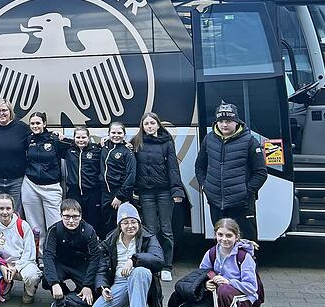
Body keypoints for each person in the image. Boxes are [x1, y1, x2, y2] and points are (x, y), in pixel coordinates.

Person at [87, 203, 164, 307]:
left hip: (140, 280)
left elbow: (159, 260)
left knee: (140, 271)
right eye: (125, 223)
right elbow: (102, 269)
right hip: (119, 283)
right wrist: (103, 287)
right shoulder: (109, 242)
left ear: (139, 222)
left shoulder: (148, 237)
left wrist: (134, 260)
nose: (130, 226)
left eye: (133, 222)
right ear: (119, 225)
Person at [195, 102, 268, 241]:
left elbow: (261, 173)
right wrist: (206, 187)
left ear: (236, 122)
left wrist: (246, 192)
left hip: (242, 205)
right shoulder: (208, 139)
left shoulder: (250, 141)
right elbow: (199, 166)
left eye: (228, 121)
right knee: (222, 243)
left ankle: (247, 263)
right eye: (221, 121)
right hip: (216, 203)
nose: (224, 125)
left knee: (246, 243)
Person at [131, 112, 184, 282]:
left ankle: (167, 266)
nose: (149, 126)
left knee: (166, 229)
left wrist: (177, 190)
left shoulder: (167, 142)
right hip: (146, 192)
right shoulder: (137, 142)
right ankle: (153, 263)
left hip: (164, 192)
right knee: (150, 230)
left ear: (158, 125)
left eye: (152, 123)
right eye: (146, 124)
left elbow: (173, 168)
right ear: (142, 126)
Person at [200, 218, 260, 307]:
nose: (224, 239)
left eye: (229, 235)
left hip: (244, 296)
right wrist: (208, 282)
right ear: (215, 235)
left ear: (236, 237)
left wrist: (228, 281)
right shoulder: (211, 253)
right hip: (217, 294)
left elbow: (252, 287)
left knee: (224, 289)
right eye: (220, 235)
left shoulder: (244, 256)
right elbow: (201, 273)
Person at [21, 112, 71, 257]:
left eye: (38, 123)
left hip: (51, 187)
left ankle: (56, 257)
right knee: (36, 226)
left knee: (55, 225)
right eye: (33, 124)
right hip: (30, 185)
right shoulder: (28, 140)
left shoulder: (54, 139)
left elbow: (76, 145)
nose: (35, 126)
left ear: (44, 124)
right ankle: (40, 257)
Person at [0, 194, 42, 304]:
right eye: (1, 208)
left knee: (32, 276)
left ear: (13, 209)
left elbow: (29, 253)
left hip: (23, 264)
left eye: (8, 208)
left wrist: (16, 267)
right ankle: (6, 287)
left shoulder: (23, 225)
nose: (5, 212)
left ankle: (29, 292)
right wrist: (1, 267)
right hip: (3, 265)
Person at [42, 199, 100, 305]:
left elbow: (95, 258)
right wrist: (54, 283)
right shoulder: (54, 230)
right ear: (61, 215)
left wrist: (87, 285)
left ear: (81, 216)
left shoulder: (89, 231)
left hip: (80, 264)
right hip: (61, 263)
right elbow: (47, 256)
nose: (71, 221)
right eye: (67, 216)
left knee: (93, 290)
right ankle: (62, 294)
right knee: (47, 279)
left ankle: (75, 297)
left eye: (75, 216)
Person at [0, 99, 31, 215]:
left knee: (16, 213)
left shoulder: (22, 128)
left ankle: (16, 234)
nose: (1, 113)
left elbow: (34, 143)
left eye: (4, 110)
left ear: (10, 111)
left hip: (17, 180)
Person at [64, 127, 103, 238]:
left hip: (92, 193)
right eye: (78, 137)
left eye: (84, 137)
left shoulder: (96, 150)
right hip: (74, 193)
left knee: (93, 221)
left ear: (88, 137)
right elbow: (57, 142)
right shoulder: (69, 150)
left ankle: (95, 246)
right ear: (74, 138)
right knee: (75, 220)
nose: (81, 140)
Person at [100, 122, 136, 239]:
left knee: (122, 225)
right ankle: (110, 254)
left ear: (124, 134)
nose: (116, 135)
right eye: (113, 133)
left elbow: (131, 176)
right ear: (108, 134)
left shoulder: (127, 152)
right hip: (105, 193)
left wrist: (120, 196)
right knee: (107, 225)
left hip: (120, 195)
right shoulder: (104, 146)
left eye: (119, 133)